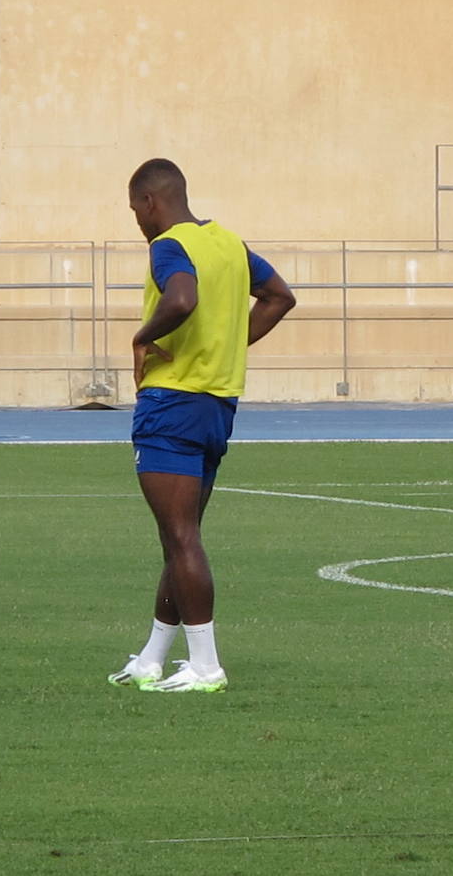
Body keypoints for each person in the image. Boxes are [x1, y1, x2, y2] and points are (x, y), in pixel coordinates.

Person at [108, 158, 296, 693]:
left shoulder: (168, 246)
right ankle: (153, 656)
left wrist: (143, 338)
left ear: (151, 202)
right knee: (180, 536)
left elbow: (182, 297)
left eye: (135, 211)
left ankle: (206, 665)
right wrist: (228, 343)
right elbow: (281, 297)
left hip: (172, 405)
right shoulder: (231, 245)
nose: (137, 223)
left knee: (180, 535)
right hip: (217, 407)